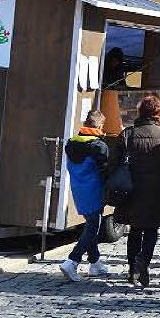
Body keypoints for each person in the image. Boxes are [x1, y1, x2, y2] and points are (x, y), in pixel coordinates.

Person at [117, 95, 160, 288]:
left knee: (134, 230)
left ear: (140, 112)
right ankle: (143, 262)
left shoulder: (128, 134)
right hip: (156, 190)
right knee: (151, 230)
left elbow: (115, 164)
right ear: (158, 114)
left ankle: (132, 268)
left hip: (132, 190)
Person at [60, 108, 111, 282]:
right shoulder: (99, 146)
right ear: (100, 126)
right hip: (95, 190)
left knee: (91, 224)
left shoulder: (71, 143)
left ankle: (95, 263)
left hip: (79, 189)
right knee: (92, 228)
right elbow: (105, 172)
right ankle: (72, 261)